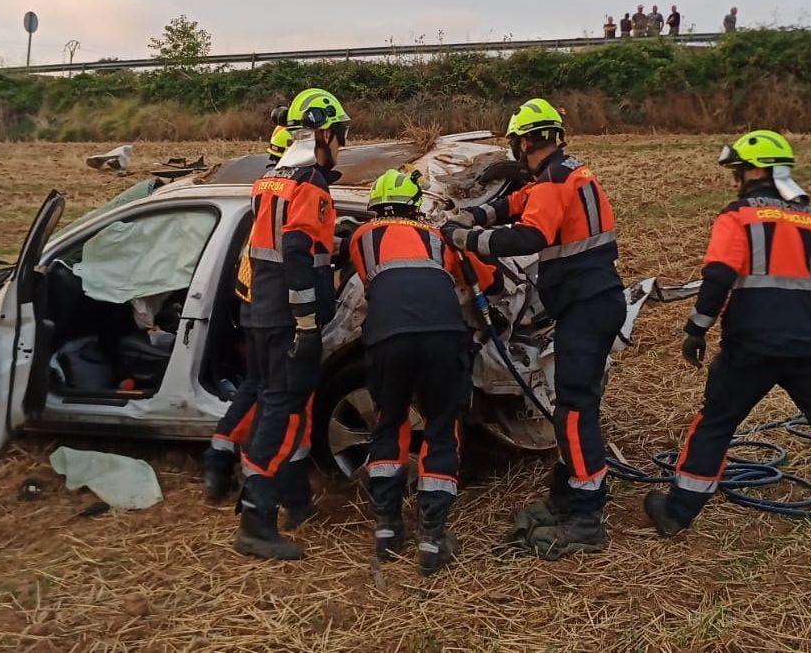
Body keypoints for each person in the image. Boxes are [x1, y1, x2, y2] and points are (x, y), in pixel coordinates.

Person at [642, 130, 811, 570]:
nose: (736, 179)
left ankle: (677, 512)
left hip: (750, 346)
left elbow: (719, 276)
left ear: (755, 170)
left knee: (716, 422)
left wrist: (696, 329)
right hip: (806, 348)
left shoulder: (738, 217)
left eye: (739, 170)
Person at [442, 99, 625, 557]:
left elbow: (528, 236)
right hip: (595, 302)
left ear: (524, 141)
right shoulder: (568, 174)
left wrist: (466, 239)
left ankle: (586, 517)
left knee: (576, 410)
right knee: (573, 406)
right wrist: (474, 214)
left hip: (587, 306)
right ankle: (567, 496)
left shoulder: (553, 184)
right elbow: (513, 204)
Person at [349, 169, 498, 576]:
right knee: (440, 425)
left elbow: (373, 284)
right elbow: (486, 279)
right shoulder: (436, 237)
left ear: (375, 206)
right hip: (443, 337)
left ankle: (387, 530)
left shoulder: (362, 239)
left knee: (389, 423)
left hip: (388, 340)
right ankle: (432, 537)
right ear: (415, 205)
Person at [234, 88, 350, 561]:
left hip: (259, 312)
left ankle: (296, 500)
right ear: (322, 133)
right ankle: (256, 520)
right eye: (339, 134)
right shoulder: (311, 185)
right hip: (287, 320)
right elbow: (299, 251)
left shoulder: (272, 178)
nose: (341, 143)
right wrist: (306, 323)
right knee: (282, 414)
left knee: (288, 409)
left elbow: (279, 247)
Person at [202, 122, 299, 502]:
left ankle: (218, 458)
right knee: (274, 393)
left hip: (250, 300)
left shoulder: (264, 187)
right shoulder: (293, 192)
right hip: (272, 306)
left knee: (253, 385)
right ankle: (256, 482)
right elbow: (296, 252)